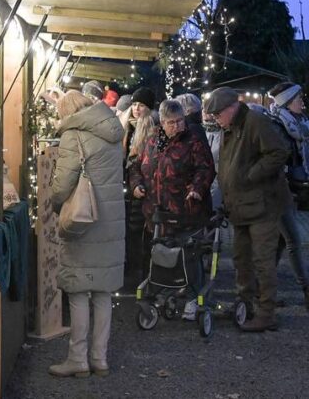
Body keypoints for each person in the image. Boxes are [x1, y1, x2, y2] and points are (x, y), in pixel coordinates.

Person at [49, 91, 125, 378]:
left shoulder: (73, 135)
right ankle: (100, 359)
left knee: (79, 293)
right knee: (104, 293)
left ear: (66, 112)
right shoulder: (112, 132)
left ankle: (77, 359)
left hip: (83, 220)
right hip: (111, 222)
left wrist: (56, 205)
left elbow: (62, 185)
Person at [206, 87, 291, 332]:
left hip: (262, 206)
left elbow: (278, 153)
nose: (215, 119)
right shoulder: (230, 127)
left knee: (262, 261)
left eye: (218, 114)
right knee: (241, 259)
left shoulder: (255, 122)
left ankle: (266, 312)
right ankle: (245, 304)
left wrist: (252, 175)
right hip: (240, 206)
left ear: (231, 108)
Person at [129, 100, 215, 319]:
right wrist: (136, 184)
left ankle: (192, 297)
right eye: (171, 122)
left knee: (188, 256)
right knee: (161, 254)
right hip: (157, 212)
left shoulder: (193, 141)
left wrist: (197, 189)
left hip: (185, 211)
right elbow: (139, 166)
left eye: (180, 121)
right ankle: (162, 293)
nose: (176, 126)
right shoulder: (154, 140)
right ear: (162, 123)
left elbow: (205, 169)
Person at [267, 82, 309, 309]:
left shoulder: (297, 125)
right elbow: (277, 162)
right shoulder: (278, 127)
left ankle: (262, 290)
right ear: (285, 102)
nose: (302, 102)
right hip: (278, 192)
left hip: (290, 191)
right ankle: (306, 289)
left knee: (280, 243)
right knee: (293, 239)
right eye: (297, 99)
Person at [119, 87, 158, 285]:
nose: (136, 108)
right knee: (129, 230)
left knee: (141, 231)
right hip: (125, 186)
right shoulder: (125, 127)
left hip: (142, 187)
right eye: (134, 104)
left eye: (141, 105)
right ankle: (132, 270)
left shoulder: (152, 129)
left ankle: (141, 273)